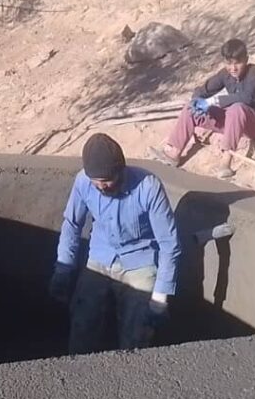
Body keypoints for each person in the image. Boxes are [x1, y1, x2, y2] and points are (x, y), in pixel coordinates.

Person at [49, 134, 181, 354]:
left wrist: (160, 297)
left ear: (121, 170)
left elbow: (169, 244)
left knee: (138, 330)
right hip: (100, 257)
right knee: (83, 319)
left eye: (107, 180)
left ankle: (131, 369)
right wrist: (63, 268)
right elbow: (72, 224)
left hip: (139, 262)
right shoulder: (83, 182)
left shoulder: (148, 187)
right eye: (96, 181)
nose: (101, 186)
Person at [149, 38, 255, 179]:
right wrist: (196, 101)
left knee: (236, 108)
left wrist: (212, 101)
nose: (233, 68)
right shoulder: (225, 74)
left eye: (237, 63)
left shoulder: (254, 72)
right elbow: (203, 90)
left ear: (246, 59)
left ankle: (226, 163)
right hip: (234, 123)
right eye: (229, 63)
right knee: (190, 107)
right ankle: (174, 153)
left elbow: (247, 97)